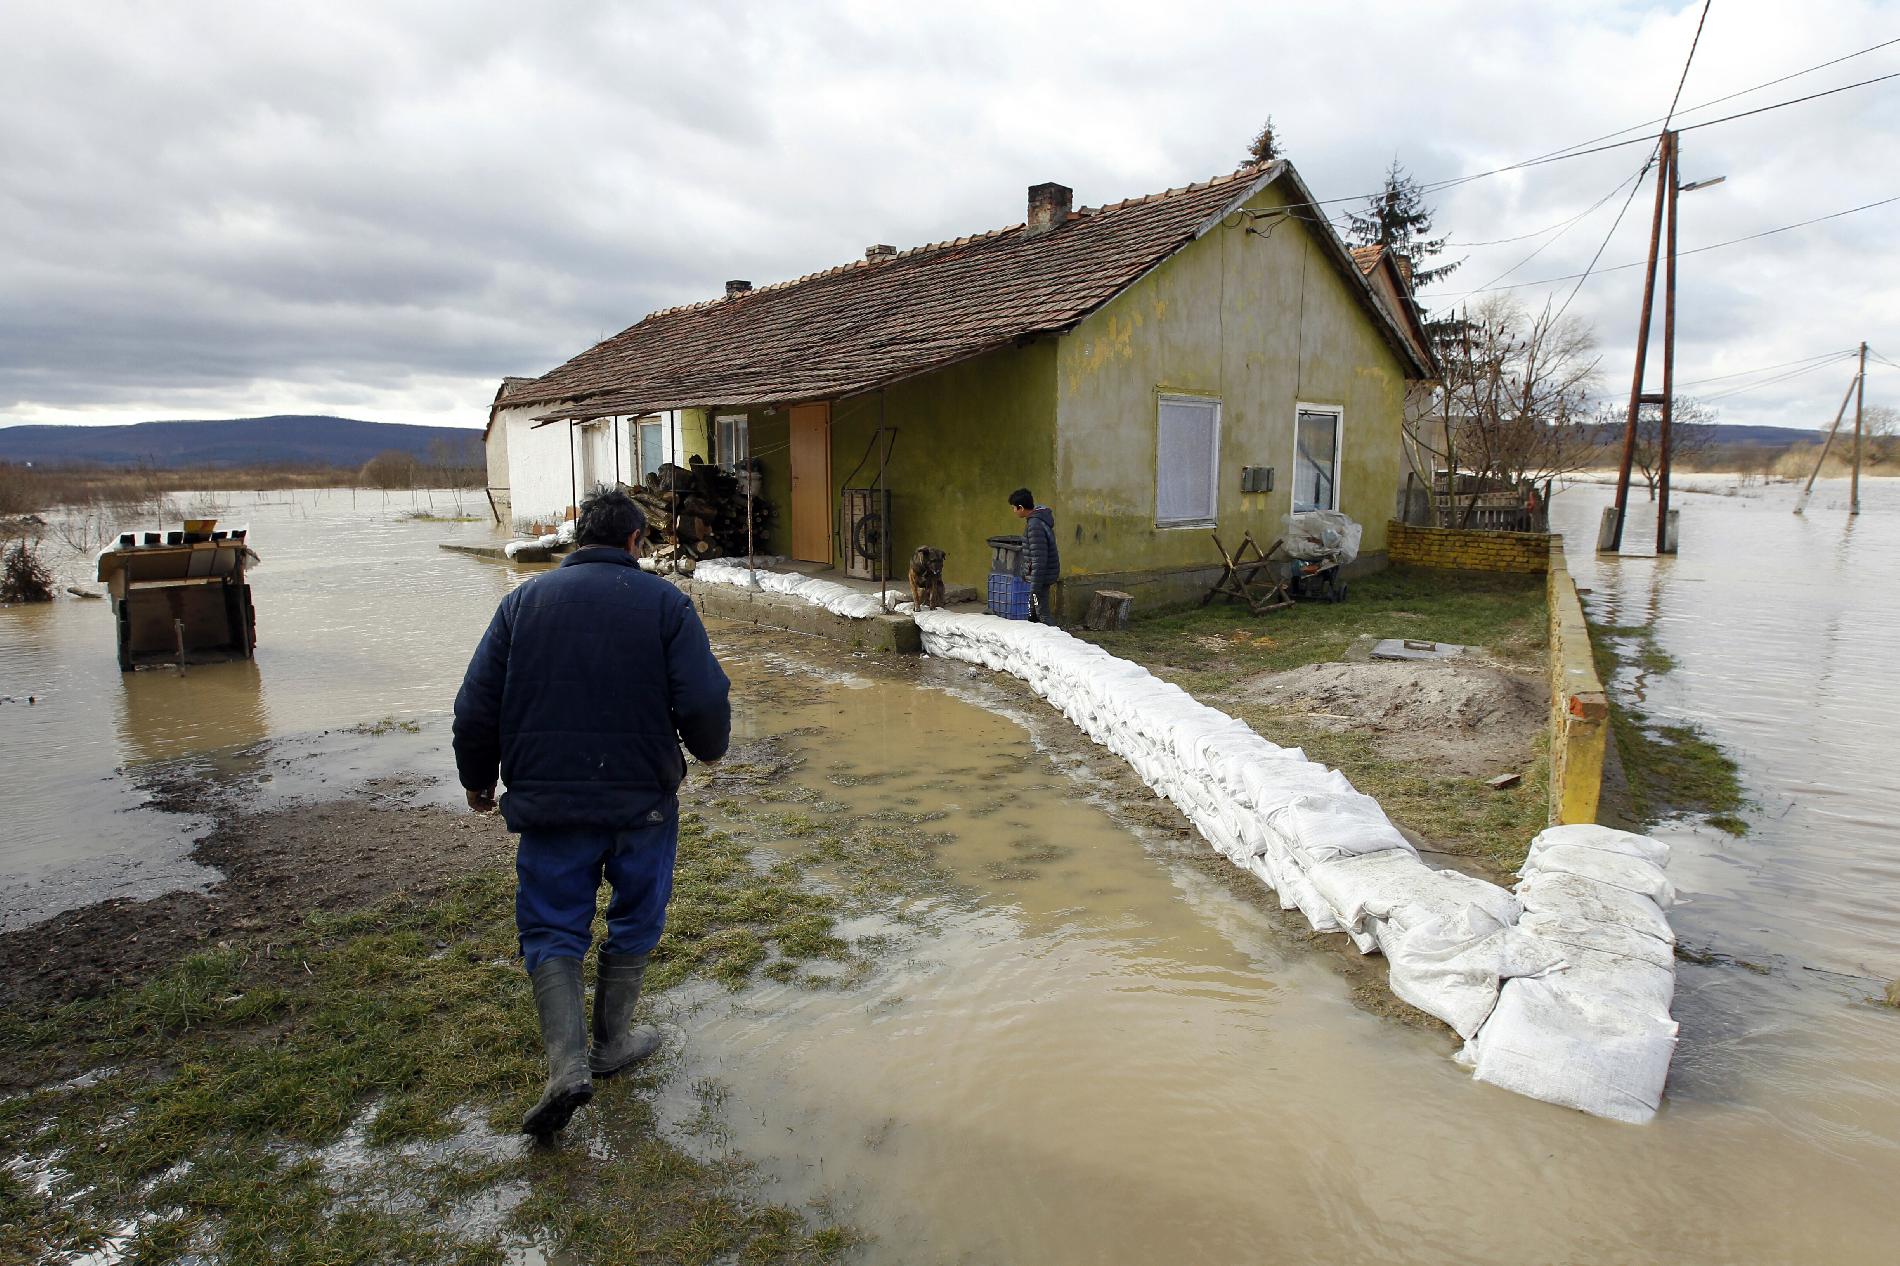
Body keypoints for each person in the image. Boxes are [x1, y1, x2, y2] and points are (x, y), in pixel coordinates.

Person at [453, 485, 731, 1142]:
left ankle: (567, 1067)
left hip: (550, 805)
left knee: (551, 928)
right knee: (636, 918)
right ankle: (611, 1044)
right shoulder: (666, 605)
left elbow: (475, 708)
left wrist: (477, 782)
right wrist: (708, 748)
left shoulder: (520, 605)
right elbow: (704, 696)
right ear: (637, 542)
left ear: (580, 542)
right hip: (642, 803)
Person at [1008, 487, 1060, 624]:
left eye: (1014, 508)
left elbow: (1039, 559)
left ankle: (1055, 640)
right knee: (1036, 613)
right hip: (1041, 577)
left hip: (1040, 579)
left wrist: (1034, 590)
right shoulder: (1037, 520)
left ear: (1021, 507)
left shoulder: (1034, 525)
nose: (1013, 511)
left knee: (1041, 612)